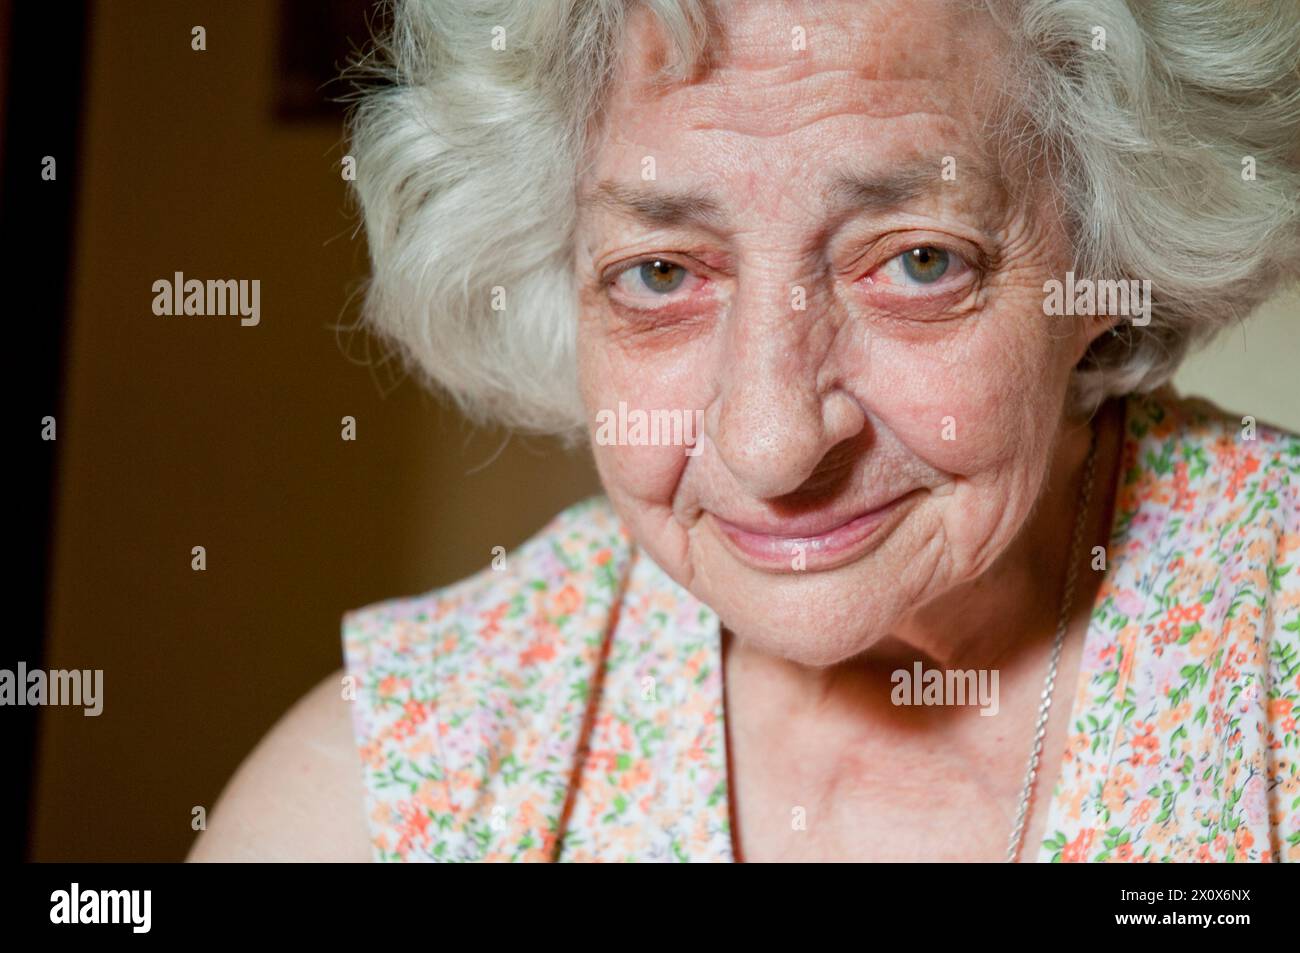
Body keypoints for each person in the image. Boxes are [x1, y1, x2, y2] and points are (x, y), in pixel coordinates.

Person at [190, 0, 1300, 862]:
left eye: (918, 260)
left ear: (1109, 249)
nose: (772, 444)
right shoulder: (402, 778)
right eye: (659, 272)